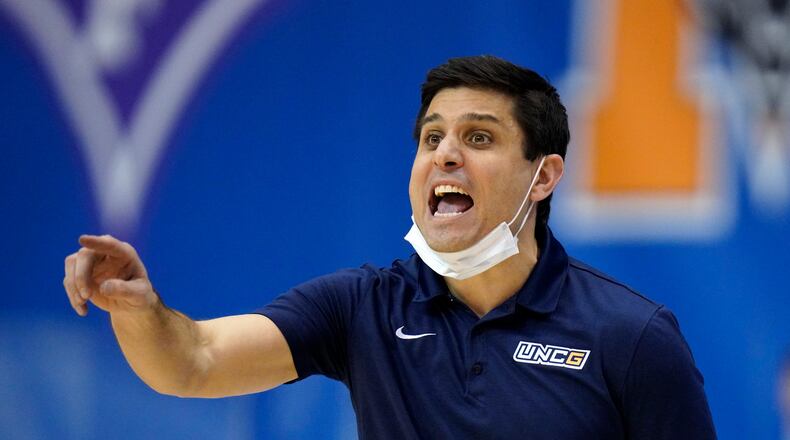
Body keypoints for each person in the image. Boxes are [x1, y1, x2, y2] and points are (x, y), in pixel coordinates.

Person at [62, 55, 716, 439]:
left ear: (543, 175)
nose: (446, 155)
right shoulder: (363, 308)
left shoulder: (632, 338)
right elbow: (193, 362)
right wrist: (136, 308)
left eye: (479, 138)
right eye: (432, 138)